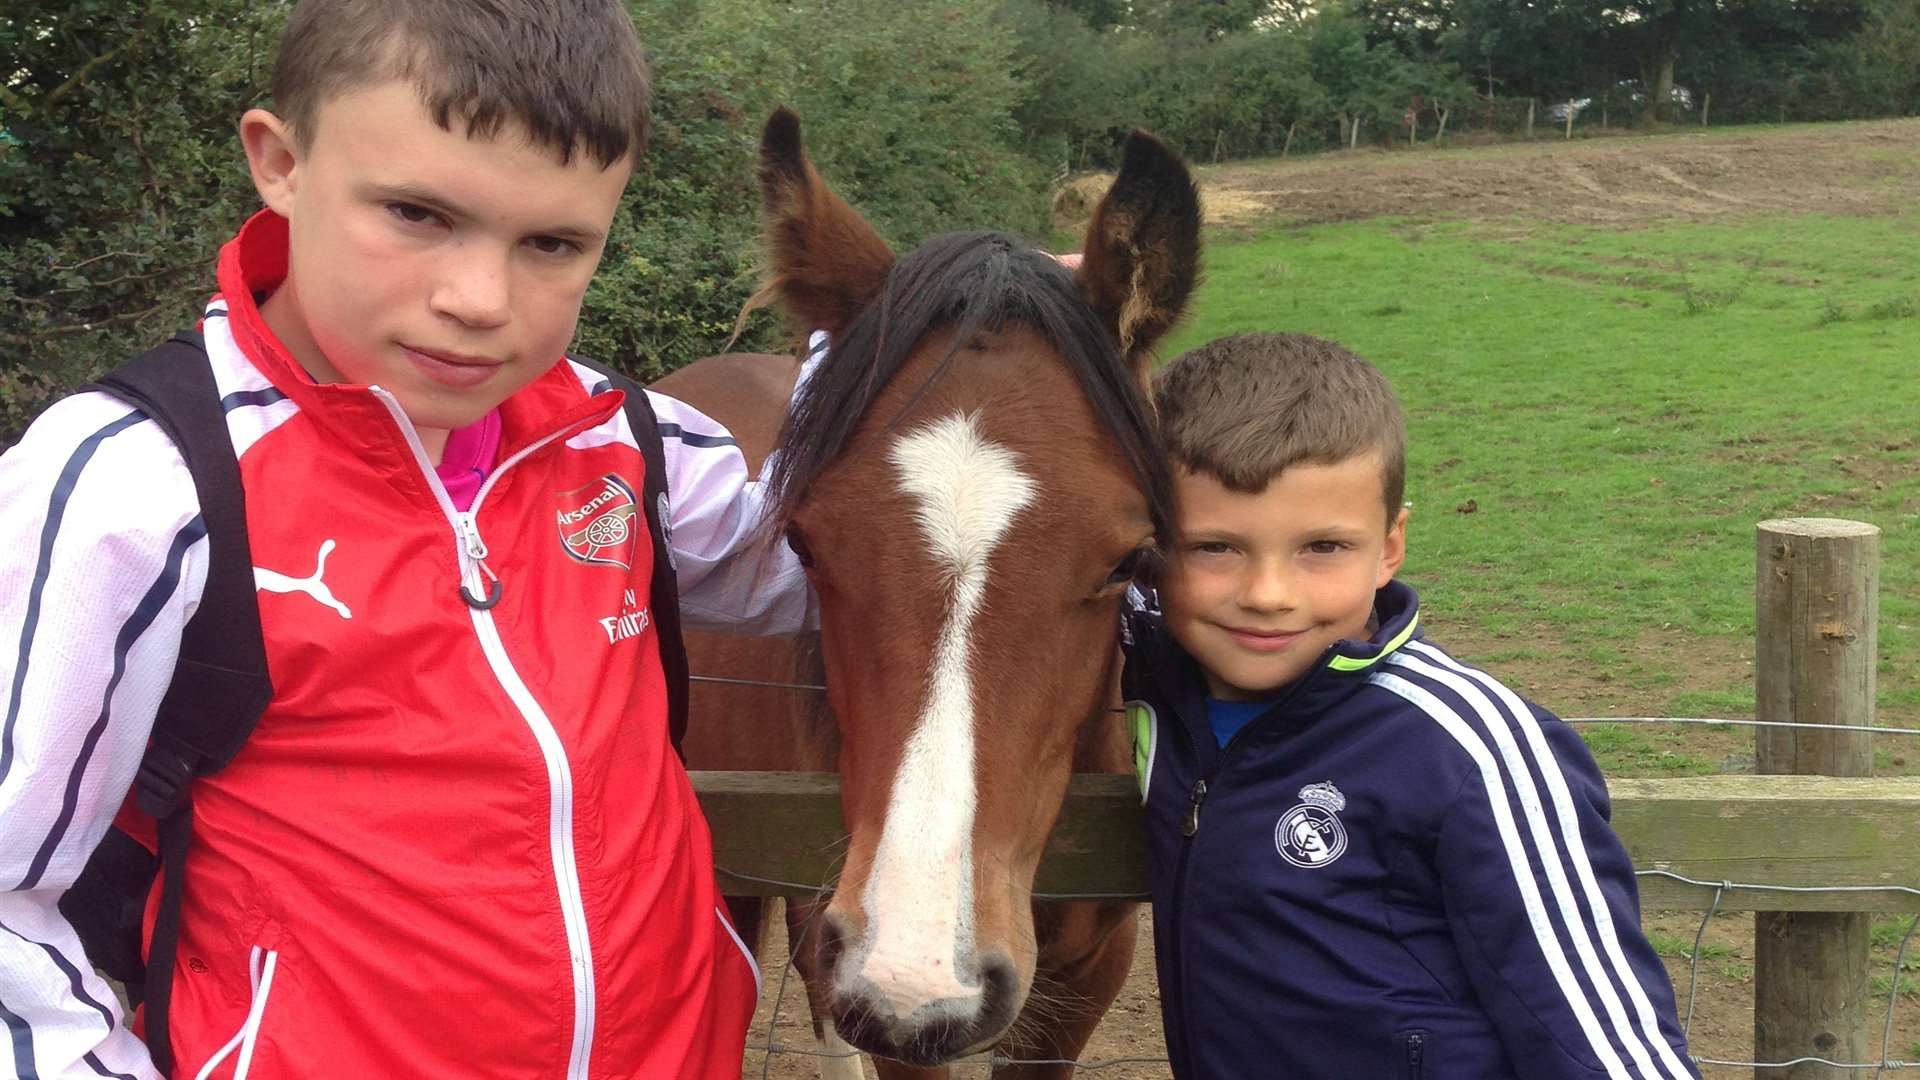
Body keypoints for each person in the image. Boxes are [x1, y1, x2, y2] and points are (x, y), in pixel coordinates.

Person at [0, 2, 809, 1076]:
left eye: (554, 243)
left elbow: (840, 572)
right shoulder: (139, 482)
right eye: (419, 214)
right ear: (281, 162)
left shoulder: (627, 444)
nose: (479, 301)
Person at [1122, 331, 1698, 1079]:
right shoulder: (1164, 675)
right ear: (1151, 549)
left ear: (1391, 545)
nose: (1267, 595)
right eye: (1214, 548)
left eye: (1323, 548)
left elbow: (1609, 1045)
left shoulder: (1472, 749)